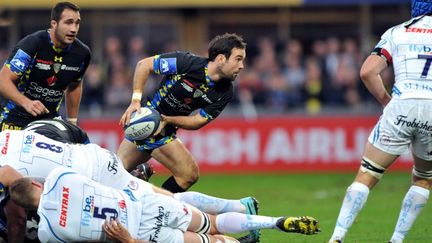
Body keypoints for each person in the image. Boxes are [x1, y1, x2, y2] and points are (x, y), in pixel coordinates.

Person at [0, 129, 259, 242]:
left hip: (87, 177)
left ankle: (236, 211)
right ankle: (236, 211)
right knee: (162, 202)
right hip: (92, 158)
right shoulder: (8, 135)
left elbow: (19, 198)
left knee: (154, 213)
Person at [329, 1, 432, 242]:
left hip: (401, 104)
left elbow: (367, 72)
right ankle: (396, 240)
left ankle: (337, 237)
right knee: (423, 179)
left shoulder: (398, 31)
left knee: (367, 174)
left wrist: (387, 101)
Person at [9, 167, 320, 243]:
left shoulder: (49, 232)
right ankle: (273, 222)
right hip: (144, 204)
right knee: (210, 222)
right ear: (35, 183)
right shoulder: (59, 176)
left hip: (138, 233)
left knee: (205, 240)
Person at [118, 33, 246, 193]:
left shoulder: (225, 91)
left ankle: (137, 183)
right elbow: (144, 65)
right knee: (188, 174)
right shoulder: (186, 62)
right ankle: (156, 205)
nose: (241, 66)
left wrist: (168, 120)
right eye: (238, 59)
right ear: (221, 59)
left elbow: (198, 120)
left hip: (163, 125)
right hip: (148, 120)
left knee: (116, 174)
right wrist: (136, 100)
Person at [0, 1, 91, 131]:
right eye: (68, 22)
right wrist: (26, 102)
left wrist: (72, 122)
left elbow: (75, 85)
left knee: (81, 144)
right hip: (14, 119)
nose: (73, 29)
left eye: (77, 23)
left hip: (49, 121)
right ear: (54, 24)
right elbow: (3, 81)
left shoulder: (82, 53)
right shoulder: (32, 44)